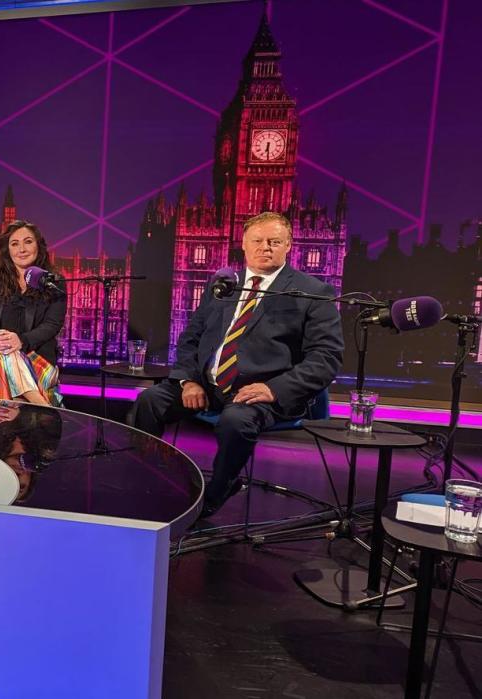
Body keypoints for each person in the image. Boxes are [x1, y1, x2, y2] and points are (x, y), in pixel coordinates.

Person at [129, 211, 343, 518]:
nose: (265, 247)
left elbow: (327, 358)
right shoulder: (223, 285)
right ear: (243, 244)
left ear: (289, 246)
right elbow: (191, 337)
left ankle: (217, 491)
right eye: (257, 240)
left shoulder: (312, 291)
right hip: (207, 386)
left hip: (262, 395)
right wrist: (188, 380)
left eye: (274, 241)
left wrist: (273, 389)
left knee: (235, 422)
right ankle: (146, 475)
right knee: (149, 401)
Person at [0, 220, 67, 406]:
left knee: (5, 350)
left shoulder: (54, 282)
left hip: (37, 361)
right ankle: (39, 403)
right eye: (14, 243)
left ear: (39, 245)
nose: (22, 249)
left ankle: (3, 423)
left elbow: (52, 325)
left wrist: (20, 341)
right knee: (1, 346)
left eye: (28, 242)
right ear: (7, 250)